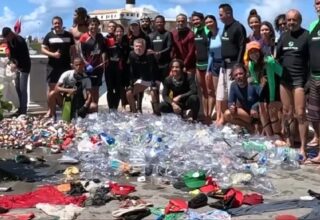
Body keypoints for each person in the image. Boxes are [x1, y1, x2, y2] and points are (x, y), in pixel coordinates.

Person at [276, 9, 309, 159]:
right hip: (285, 80)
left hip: (299, 80)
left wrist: (308, 82)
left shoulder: (306, 35)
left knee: (300, 114)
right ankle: (289, 142)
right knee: (287, 113)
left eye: (294, 20)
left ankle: (303, 146)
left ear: (300, 21)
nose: (290, 23)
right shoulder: (283, 37)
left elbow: (311, 60)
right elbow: (278, 58)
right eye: (288, 20)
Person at [216, 3, 247, 125]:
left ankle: (235, 122)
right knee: (221, 95)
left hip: (233, 66)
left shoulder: (238, 27)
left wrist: (237, 68)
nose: (219, 17)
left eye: (221, 14)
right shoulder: (225, 27)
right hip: (223, 66)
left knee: (232, 96)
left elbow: (241, 47)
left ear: (228, 13)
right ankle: (223, 119)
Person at [245, 41, 282, 137]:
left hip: (278, 83)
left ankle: (277, 135)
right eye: (251, 52)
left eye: (255, 51)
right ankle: (270, 136)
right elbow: (257, 81)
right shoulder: (251, 64)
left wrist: (272, 100)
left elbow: (272, 82)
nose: (254, 54)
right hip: (266, 86)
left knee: (272, 109)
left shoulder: (268, 61)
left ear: (260, 51)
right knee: (262, 109)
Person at [41, 16, 75, 118]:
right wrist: (53, 54)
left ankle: (65, 109)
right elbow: (43, 49)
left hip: (66, 67)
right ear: (53, 24)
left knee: (65, 89)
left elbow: (73, 50)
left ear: (62, 23)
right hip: (52, 67)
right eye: (55, 23)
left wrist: (73, 62)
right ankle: (51, 110)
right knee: (52, 89)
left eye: (58, 23)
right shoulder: (49, 35)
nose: (57, 25)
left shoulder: (69, 35)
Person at [79, 17, 107, 112]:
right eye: (91, 25)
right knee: (89, 90)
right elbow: (81, 53)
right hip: (88, 68)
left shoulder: (100, 37)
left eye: (95, 25)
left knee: (96, 90)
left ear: (98, 26)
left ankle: (95, 109)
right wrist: (86, 64)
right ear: (88, 26)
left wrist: (103, 61)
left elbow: (103, 51)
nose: (93, 26)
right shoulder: (84, 37)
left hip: (98, 67)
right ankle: (87, 110)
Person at [126, 38, 160, 115]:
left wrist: (154, 82)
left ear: (144, 47)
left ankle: (156, 112)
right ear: (133, 47)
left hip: (150, 79)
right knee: (128, 92)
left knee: (153, 92)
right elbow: (130, 70)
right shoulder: (131, 55)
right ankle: (134, 112)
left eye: (140, 46)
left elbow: (154, 70)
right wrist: (130, 83)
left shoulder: (149, 55)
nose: (138, 48)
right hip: (139, 80)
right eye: (136, 46)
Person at [2, 27, 31, 115]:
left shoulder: (20, 41)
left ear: (11, 34)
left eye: (7, 37)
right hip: (17, 67)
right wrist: (12, 62)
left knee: (23, 89)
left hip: (24, 67)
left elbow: (23, 56)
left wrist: (16, 64)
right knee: (17, 88)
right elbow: (12, 54)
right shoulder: (9, 41)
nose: (6, 39)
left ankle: (23, 111)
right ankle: (19, 108)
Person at [224, 63, 260, 133]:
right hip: (246, 115)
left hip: (257, 114)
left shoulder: (253, 84)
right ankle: (248, 126)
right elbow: (230, 101)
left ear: (246, 74)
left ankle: (256, 126)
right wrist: (231, 107)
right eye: (236, 75)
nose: (238, 76)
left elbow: (263, 99)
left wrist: (255, 106)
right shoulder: (233, 85)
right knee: (227, 114)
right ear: (233, 77)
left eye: (241, 73)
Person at [305, 0, 320, 164]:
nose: (318, 5)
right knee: (315, 116)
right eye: (316, 3)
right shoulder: (313, 25)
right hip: (314, 76)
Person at [105, 24, 130, 110]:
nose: (119, 33)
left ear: (123, 32)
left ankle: (115, 108)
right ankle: (110, 108)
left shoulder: (126, 42)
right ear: (114, 32)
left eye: (121, 31)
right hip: (109, 69)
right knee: (110, 90)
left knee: (118, 89)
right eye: (117, 31)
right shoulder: (109, 41)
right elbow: (104, 52)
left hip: (120, 70)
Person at [191, 11, 210, 122]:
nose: (195, 22)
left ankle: (208, 115)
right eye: (193, 20)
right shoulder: (193, 31)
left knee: (209, 91)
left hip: (208, 65)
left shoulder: (207, 30)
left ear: (202, 20)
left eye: (197, 19)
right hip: (198, 65)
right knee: (202, 90)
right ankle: (203, 113)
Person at [205, 15, 221, 121]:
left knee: (224, 92)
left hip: (225, 64)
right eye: (207, 22)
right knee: (216, 92)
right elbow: (210, 54)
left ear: (215, 21)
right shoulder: (210, 35)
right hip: (215, 64)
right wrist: (208, 70)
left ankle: (221, 115)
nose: (209, 24)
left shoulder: (222, 32)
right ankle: (217, 115)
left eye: (211, 21)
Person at [148, 15, 173, 82]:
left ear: (164, 23)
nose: (159, 23)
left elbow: (169, 47)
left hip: (165, 64)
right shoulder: (150, 35)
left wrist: (159, 53)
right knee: (154, 84)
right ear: (154, 23)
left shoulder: (168, 34)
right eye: (157, 22)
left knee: (165, 84)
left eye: (161, 22)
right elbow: (148, 48)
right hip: (154, 64)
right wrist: (152, 52)